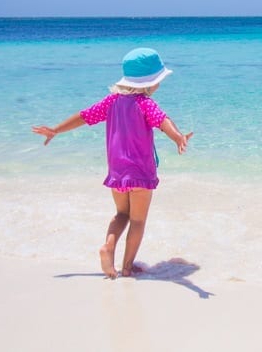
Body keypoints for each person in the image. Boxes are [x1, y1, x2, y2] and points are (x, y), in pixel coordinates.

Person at [32, 48, 193, 279]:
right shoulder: (145, 104)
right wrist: (178, 137)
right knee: (137, 220)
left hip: (117, 174)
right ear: (150, 82)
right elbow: (163, 121)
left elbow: (84, 116)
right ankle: (127, 268)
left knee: (121, 214)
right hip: (141, 174)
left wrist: (56, 130)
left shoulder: (112, 102)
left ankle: (108, 247)